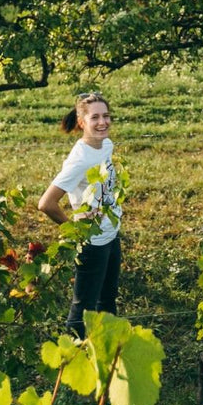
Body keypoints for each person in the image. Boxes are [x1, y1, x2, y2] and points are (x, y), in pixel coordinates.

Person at [38, 92, 122, 337]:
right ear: (81, 121)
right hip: (91, 241)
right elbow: (46, 203)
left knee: (107, 301)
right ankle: (72, 361)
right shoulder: (80, 160)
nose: (102, 122)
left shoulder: (106, 145)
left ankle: (104, 354)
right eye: (95, 117)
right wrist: (73, 225)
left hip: (110, 234)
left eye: (106, 116)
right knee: (83, 308)